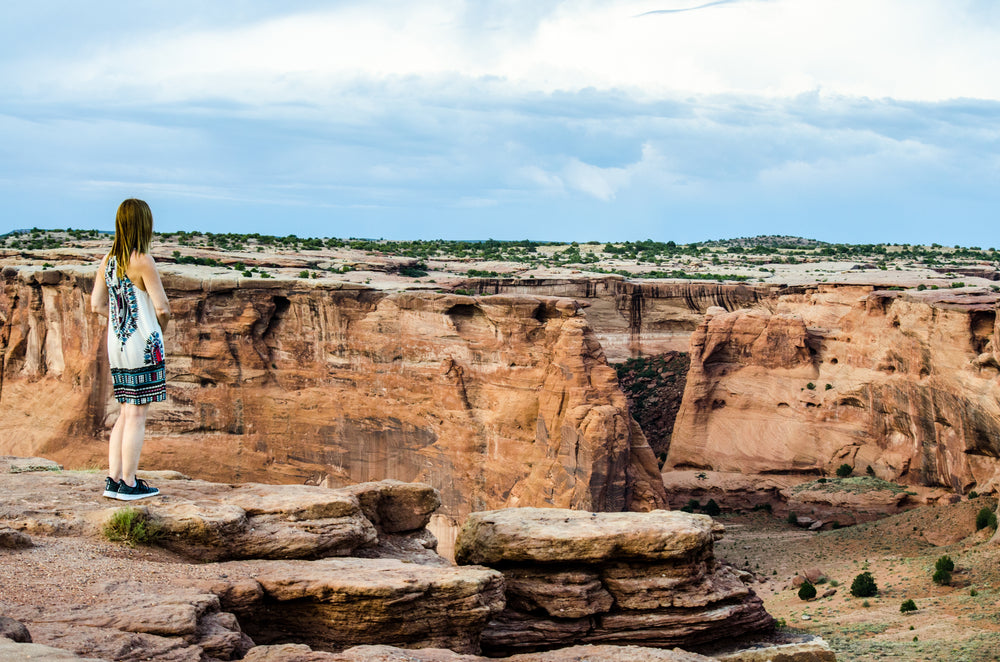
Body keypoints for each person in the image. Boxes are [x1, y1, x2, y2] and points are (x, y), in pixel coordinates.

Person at [90, 199, 171, 500]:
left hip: (118, 343)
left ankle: (113, 480)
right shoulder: (143, 260)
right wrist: (155, 327)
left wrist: (121, 319)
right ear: (144, 224)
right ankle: (129, 483)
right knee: (137, 415)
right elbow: (162, 306)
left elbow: (96, 305)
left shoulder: (108, 261)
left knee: (125, 411)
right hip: (143, 344)